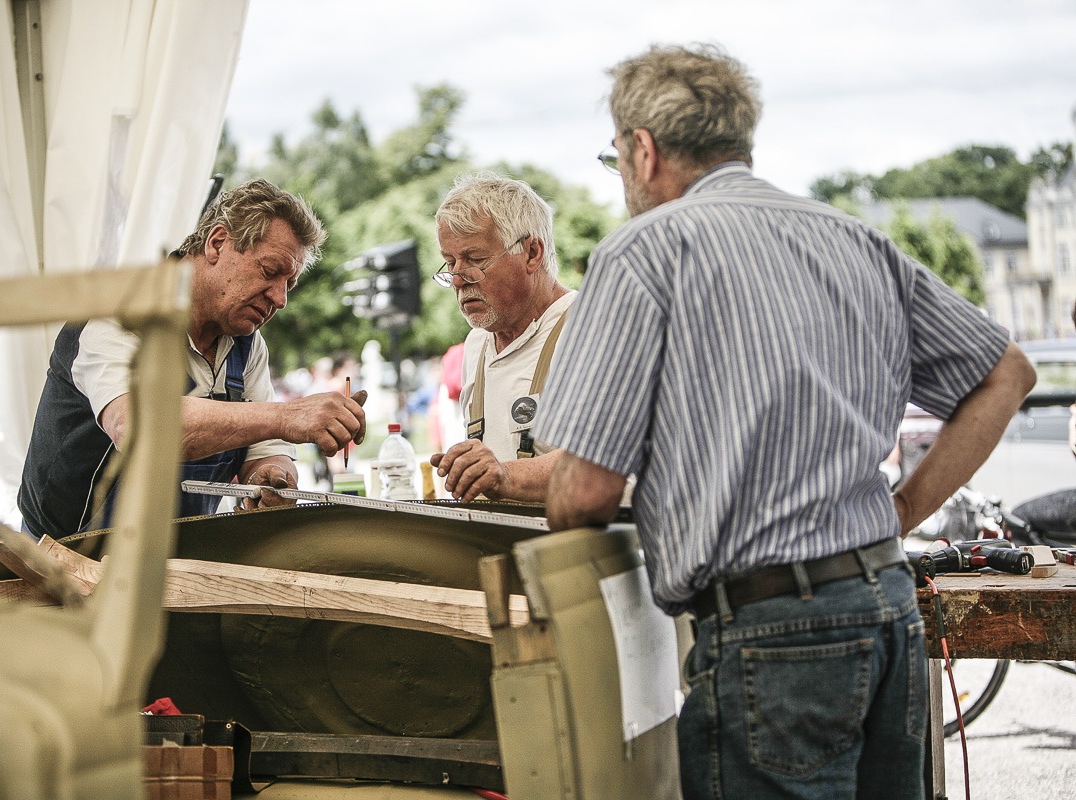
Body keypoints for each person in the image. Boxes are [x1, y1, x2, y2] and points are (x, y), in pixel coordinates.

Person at [536, 44, 1036, 799]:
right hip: (886, 601)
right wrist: (900, 510)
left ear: (643, 150)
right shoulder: (852, 237)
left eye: (616, 159)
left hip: (769, 632)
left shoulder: (644, 251)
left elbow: (583, 495)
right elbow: (1007, 374)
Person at [18, 179, 367, 537]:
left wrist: (271, 476)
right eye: (270, 271)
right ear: (217, 243)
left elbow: (265, 449)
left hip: (175, 551)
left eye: (288, 285)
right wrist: (288, 416)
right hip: (65, 552)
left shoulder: (247, 344)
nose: (280, 299)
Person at [428, 173, 575, 503]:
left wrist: (507, 476)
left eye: (476, 260)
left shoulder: (589, 328)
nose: (457, 279)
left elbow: (606, 462)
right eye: (450, 262)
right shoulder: (476, 345)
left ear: (532, 253)